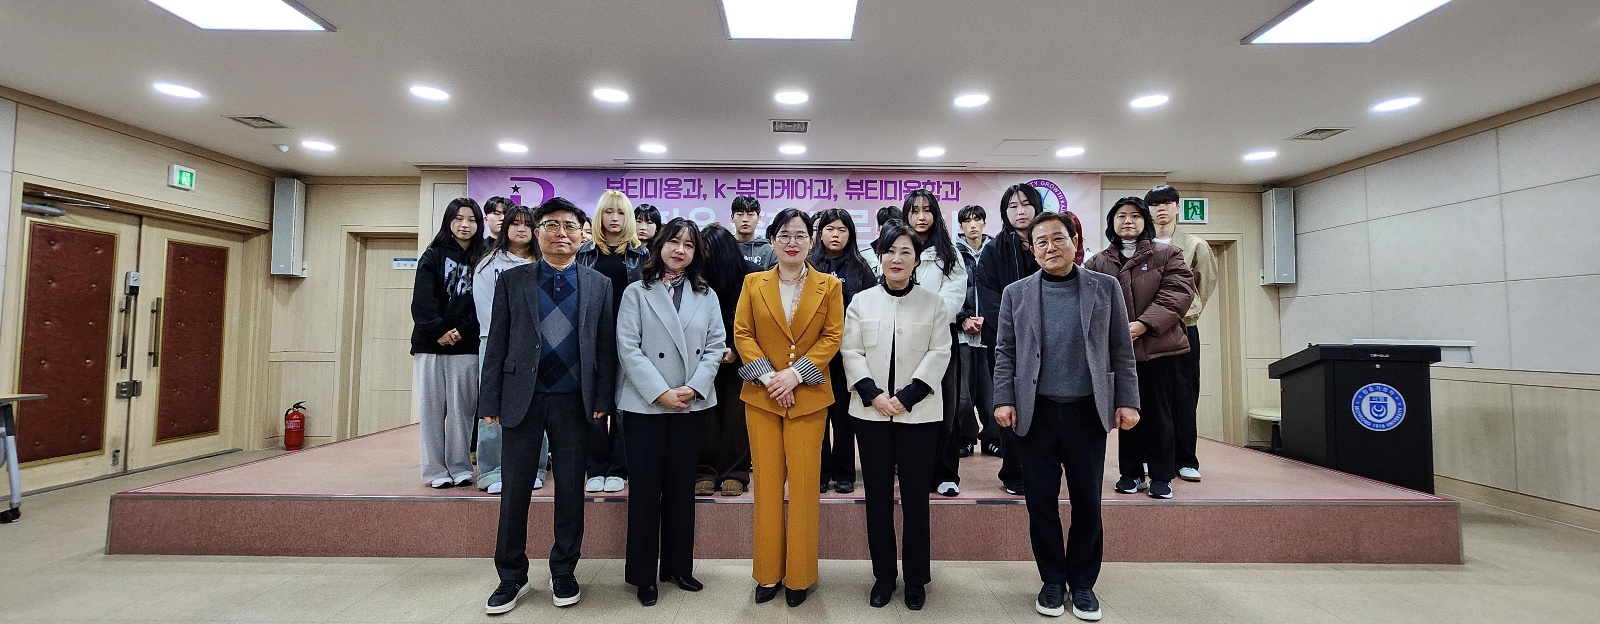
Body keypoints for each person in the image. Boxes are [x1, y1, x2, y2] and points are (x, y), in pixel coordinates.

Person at [993, 211, 1141, 621]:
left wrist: (1128, 400)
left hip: (1087, 412)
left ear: (1075, 241)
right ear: (1032, 250)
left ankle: (1083, 583)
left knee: (1087, 503)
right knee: (1040, 503)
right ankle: (1053, 581)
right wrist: (1003, 399)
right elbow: (1005, 351)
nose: (1050, 247)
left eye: (1058, 238)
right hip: (1036, 413)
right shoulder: (1016, 293)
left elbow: (1121, 348)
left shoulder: (1105, 287)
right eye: (1041, 242)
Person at [481, 197, 617, 614]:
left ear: (582, 235)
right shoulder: (513, 280)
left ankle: (564, 570)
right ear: (537, 233)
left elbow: (605, 347)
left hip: (575, 401)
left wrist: (602, 398)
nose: (562, 233)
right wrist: (490, 399)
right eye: (552, 225)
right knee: (515, 489)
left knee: (571, 490)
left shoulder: (599, 283)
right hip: (522, 398)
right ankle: (511, 575)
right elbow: (497, 342)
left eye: (570, 226)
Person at [733, 207, 844, 608]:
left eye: (799, 235)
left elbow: (832, 337)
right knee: (765, 485)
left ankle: (800, 576)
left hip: (808, 397)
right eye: (784, 235)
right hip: (762, 397)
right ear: (773, 241)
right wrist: (770, 378)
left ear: (811, 241)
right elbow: (742, 333)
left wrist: (795, 375)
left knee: (804, 487)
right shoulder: (753, 282)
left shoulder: (829, 285)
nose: (792, 242)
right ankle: (767, 573)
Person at [840, 219, 951, 611]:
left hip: (918, 415)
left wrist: (906, 397)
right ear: (880, 257)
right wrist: (874, 396)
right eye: (890, 251)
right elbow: (851, 352)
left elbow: (940, 352)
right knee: (877, 498)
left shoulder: (933, 303)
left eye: (906, 251)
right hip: (871, 414)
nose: (897, 258)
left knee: (916, 500)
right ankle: (884, 577)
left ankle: (916, 579)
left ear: (916, 259)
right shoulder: (861, 302)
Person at [615, 218, 724, 606]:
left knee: (681, 490)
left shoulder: (706, 295)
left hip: (690, 404)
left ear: (696, 254)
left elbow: (716, 346)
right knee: (645, 492)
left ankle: (679, 567)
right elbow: (628, 348)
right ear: (659, 245)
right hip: (646, 404)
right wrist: (660, 392)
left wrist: (694, 387)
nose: (680, 250)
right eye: (674, 242)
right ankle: (643, 576)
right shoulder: (636, 292)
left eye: (689, 245)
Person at [1084, 197, 1194, 501]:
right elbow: (1088, 302)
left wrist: (1143, 324)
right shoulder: (1098, 262)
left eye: (1135, 215)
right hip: (1118, 353)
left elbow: (1177, 294)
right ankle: (1130, 473)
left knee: (1159, 414)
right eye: (1121, 216)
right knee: (1124, 411)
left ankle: (1161, 476)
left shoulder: (1168, 254)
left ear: (1145, 221)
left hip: (1159, 349)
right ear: (1112, 222)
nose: (1128, 221)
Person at [973, 183, 1044, 495]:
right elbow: (989, 298)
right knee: (1009, 406)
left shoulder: (1048, 243)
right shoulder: (995, 249)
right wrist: (1020, 328)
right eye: (1012, 206)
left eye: (1026, 204)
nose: (1020, 211)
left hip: (1049, 342)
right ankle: (1014, 472)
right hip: (1007, 343)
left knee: (1044, 408)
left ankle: (1043, 469)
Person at [575, 190, 648, 492]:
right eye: (608, 212)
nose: (614, 218)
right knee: (592, 403)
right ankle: (595, 466)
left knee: (623, 405)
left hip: (629, 336)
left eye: (620, 212)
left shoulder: (641, 254)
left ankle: (619, 466)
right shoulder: (584, 253)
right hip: (592, 336)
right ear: (599, 216)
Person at [1145, 185, 1217, 482]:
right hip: (1148, 331)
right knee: (1151, 396)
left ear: (1177, 207)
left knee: (1185, 394)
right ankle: (1152, 456)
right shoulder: (1140, 244)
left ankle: (1186, 458)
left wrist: (1183, 313)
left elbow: (1204, 284)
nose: (1161, 209)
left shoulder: (1195, 245)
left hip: (1184, 328)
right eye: (1155, 204)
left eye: (1167, 203)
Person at [411, 197, 485, 489]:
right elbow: (422, 300)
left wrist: (463, 331)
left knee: (462, 411)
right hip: (430, 344)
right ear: (448, 222)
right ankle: (434, 470)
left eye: (471, 219)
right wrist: (439, 330)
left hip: (466, 346)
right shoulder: (432, 255)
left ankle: (460, 466)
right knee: (431, 411)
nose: (465, 225)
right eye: (458, 219)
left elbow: (484, 304)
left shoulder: (484, 258)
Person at [901, 189, 968, 497]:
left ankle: (945, 473)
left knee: (946, 406)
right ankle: (912, 469)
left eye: (927, 210)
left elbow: (953, 295)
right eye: (914, 211)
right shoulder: (897, 247)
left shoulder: (949, 253)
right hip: (902, 339)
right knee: (909, 403)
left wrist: (926, 320)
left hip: (940, 337)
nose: (921, 216)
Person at [473, 204, 543, 495]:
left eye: (528, 224)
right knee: (493, 407)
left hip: (534, 345)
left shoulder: (544, 262)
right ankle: (491, 471)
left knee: (535, 407)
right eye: (515, 223)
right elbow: (486, 310)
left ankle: (535, 468)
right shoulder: (489, 263)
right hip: (495, 342)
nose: (521, 229)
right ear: (505, 227)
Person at [808, 208, 876, 494]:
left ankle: (845, 472)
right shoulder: (808, 265)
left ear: (851, 234)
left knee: (845, 414)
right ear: (820, 233)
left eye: (842, 230)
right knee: (818, 413)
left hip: (849, 352)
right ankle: (820, 472)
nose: (835, 235)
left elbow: (871, 307)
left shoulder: (861, 267)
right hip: (815, 353)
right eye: (830, 229)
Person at [696, 224, 758, 496]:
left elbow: (756, 321)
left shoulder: (751, 277)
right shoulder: (695, 278)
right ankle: (704, 471)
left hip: (741, 357)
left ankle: (735, 473)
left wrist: (734, 349)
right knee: (705, 415)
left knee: (736, 416)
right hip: (702, 355)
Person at [953, 204, 992, 459]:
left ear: (984, 223)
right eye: (967, 221)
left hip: (990, 332)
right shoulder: (952, 253)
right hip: (962, 333)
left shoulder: (995, 251)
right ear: (961, 226)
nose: (973, 225)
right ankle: (965, 437)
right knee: (963, 394)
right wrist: (963, 318)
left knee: (991, 391)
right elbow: (949, 291)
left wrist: (990, 318)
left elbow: (1000, 289)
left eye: (977, 219)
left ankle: (993, 438)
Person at [729, 195, 778, 268]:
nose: (745, 219)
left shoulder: (769, 251)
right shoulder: (725, 248)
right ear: (732, 218)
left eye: (750, 214)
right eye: (740, 214)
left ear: (758, 218)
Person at [861, 205, 903, 275]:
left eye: (893, 228)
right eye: (886, 227)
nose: (890, 232)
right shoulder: (864, 256)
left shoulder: (908, 254)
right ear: (878, 229)